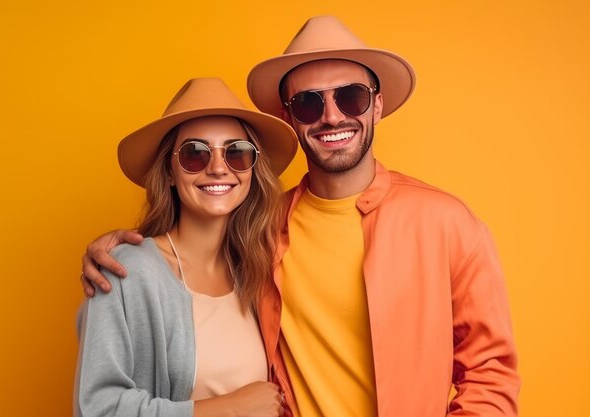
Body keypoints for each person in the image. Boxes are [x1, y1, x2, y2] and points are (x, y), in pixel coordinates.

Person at [80, 16, 520, 417]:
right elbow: (184, 247)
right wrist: (123, 251)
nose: (332, 116)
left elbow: (491, 374)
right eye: (309, 103)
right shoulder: (263, 230)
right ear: (288, 117)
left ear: (377, 105)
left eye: (351, 97)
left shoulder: (446, 223)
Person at [74, 77, 299, 417]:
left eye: (236, 152)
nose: (219, 167)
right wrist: (228, 409)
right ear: (168, 171)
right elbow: (96, 407)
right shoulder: (127, 272)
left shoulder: (257, 270)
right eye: (195, 154)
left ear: (253, 170)